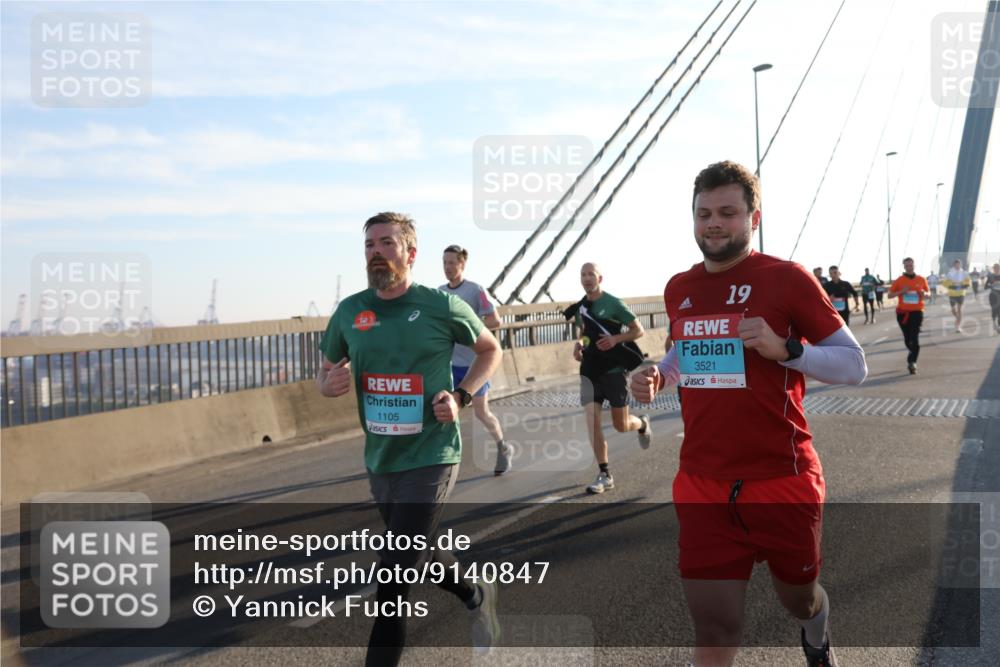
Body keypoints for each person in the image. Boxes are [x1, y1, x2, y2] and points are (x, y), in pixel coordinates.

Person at [630, 160, 867, 667]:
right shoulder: (679, 287)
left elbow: (854, 366)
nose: (714, 223)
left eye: (727, 213)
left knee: (798, 600)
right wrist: (659, 375)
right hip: (703, 482)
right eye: (704, 213)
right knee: (714, 630)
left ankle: (816, 634)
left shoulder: (787, 279)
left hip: (782, 478)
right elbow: (684, 353)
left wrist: (788, 351)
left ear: (753, 219)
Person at [317, 212, 502, 665]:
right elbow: (325, 373)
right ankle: (476, 595)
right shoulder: (350, 311)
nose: (375, 252)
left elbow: (490, 349)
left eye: (386, 243)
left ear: (410, 253)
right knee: (421, 552)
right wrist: (328, 385)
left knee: (393, 578)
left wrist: (460, 396)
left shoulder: (441, 306)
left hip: (433, 454)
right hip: (382, 460)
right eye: (369, 246)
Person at [563, 262, 650, 494]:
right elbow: (585, 334)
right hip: (590, 370)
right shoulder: (581, 307)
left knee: (621, 425)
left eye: (591, 274)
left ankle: (641, 423)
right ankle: (605, 473)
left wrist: (615, 340)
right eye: (583, 274)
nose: (587, 278)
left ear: (600, 279)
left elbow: (638, 330)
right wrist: (579, 344)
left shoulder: (613, 303)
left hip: (613, 371)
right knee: (592, 421)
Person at [440, 244, 513, 475]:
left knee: (481, 413)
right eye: (445, 263)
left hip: (475, 364)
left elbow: (495, 320)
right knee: (445, 412)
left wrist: (468, 330)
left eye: (452, 263)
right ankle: (442, 461)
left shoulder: (475, 290)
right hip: (449, 364)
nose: (448, 268)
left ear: (462, 264)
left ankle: (503, 448)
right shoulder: (440, 292)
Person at [887, 257, 930, 375]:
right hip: (903, 313)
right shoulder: (899, 280)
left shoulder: (921, 279)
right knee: (907, 339)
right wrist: (901, 292)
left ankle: (912, 362)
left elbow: (929, 294)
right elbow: (889, 295)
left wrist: (924, 293)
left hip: (917, 312)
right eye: (907, 266)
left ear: (914, 265)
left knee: (914, 338)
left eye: (911, 265)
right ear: (904, 267)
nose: (909, 267)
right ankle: (913, 353)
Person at [943, 259, 971, 332]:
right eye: (956, 264)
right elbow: (944, 283)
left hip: (961, 293)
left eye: (959, 264)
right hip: (952, 293)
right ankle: (958, 318)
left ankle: (958, 326)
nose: (958, 266)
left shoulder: (964, 273)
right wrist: (951, 286)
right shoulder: (950, 273)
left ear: (960, 264)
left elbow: (968, 282)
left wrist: (964, 285)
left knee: (959, 309)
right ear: (954, 265)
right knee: (953, 310)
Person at [985, 263, 1000, 332]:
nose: (996, 269)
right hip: (993, 295)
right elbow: (985, 287)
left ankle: (999, 326)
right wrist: (992, 285)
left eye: (998, 268)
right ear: (993, 269)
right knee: (994, 309)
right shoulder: (991, 276)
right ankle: (994, 323)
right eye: (995, 268)